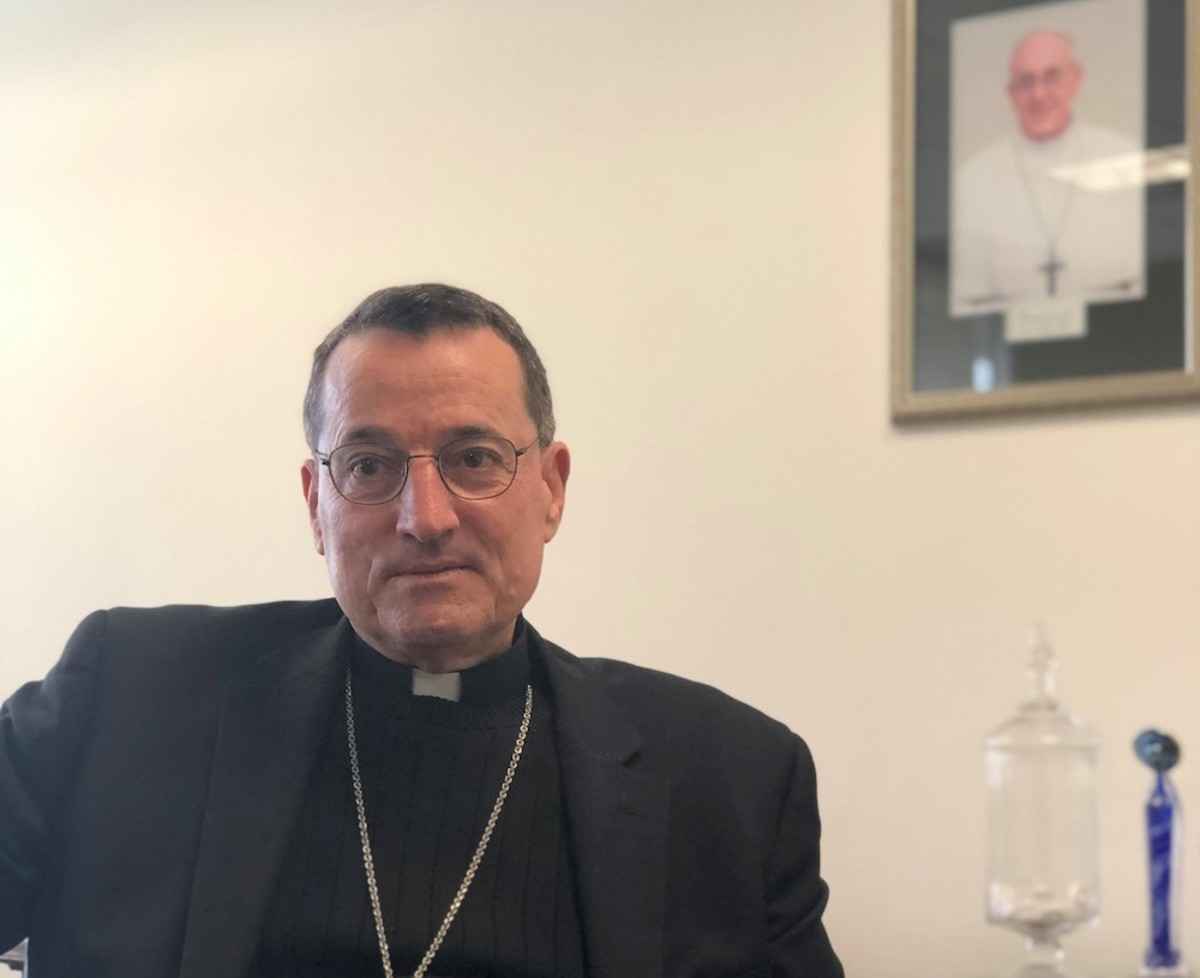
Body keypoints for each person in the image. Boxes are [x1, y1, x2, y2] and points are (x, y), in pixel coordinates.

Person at [0, 284, 843, 978]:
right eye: (370, 466)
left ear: (551, 489)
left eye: (474, 458)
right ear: (316, 505)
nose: (425, 518)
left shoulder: (731, 780)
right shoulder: (124, 697)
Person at [951, 28, 1144, 317]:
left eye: (1051, 77)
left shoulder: (1123, 158)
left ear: (1075, 80)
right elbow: (970, 299)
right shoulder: (974, 178)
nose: (1038, 94)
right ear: (1011, 94)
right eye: (1025, 82)